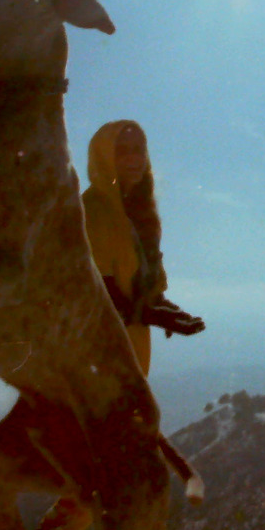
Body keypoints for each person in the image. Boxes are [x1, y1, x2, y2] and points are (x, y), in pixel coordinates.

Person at [82, 119, 204, 373]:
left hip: (131, 340)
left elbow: (140, 283)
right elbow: (102, 294)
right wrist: (158, 316)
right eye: (121, 151)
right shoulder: (94, 209)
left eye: (138, 149)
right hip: (98, 348)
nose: (133, 158)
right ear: (103, 157)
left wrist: (164, 306)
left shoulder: (140, 211)